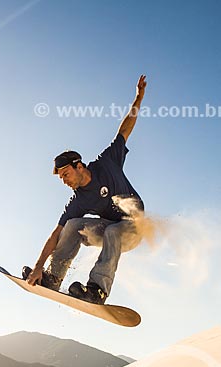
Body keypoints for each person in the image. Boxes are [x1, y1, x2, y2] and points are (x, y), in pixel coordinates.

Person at [23, 75, 147, 305]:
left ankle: (97, 290)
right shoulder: (78, 201)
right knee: (72, 226)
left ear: (79, 166)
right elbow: (56, 235)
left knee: (113, 232)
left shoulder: (107, 162)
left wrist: (138, 98)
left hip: (134, 229)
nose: (64, 181)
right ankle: (52, 278)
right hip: (112, 228)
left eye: (66, 174)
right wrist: (39, 266)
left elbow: (125, 130)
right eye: (61, 178)